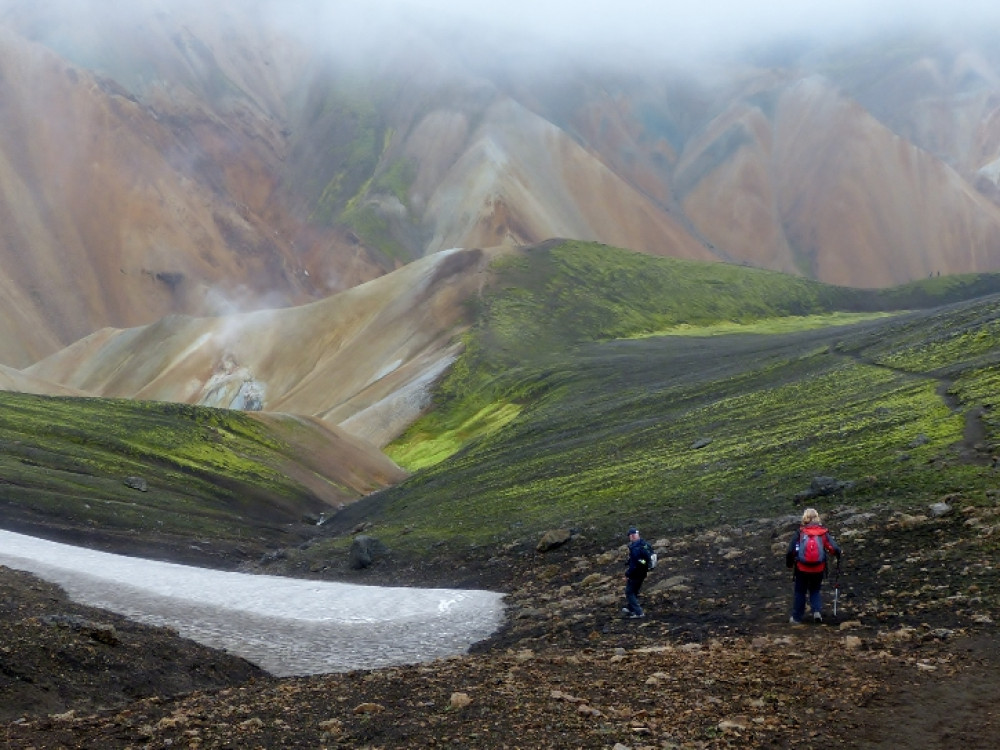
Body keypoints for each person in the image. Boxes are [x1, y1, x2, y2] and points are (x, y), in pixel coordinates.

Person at [785, 508, 842, 624]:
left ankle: (796, 618)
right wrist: (837, 556)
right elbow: (834, 548)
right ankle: (817, 612)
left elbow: (790, 551)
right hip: (818, 568)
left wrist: (790, 564)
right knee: (815, 590)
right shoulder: (823, 533)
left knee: (800, 591)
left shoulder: (800, 532)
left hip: (802, 568)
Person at [622, 527, 651, 618]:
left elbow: (635, 564)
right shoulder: (644, 544)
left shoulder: (635, 548)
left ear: (632, 536)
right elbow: (642, 560)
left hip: (636, 573)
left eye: (630, 536)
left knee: (629, 592)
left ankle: (639, 612)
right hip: (643, 572)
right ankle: (631, 608)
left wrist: (627, 574)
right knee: (634, 590)